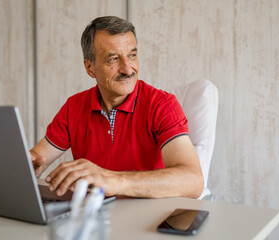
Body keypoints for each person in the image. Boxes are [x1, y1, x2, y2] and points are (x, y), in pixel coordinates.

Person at [30, 16, 203, 199]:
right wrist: (29, 164)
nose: (128, 69)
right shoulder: (73, 107)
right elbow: (37, 157)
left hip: (147, 219)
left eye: (132, 55)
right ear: (90, 68)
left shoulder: (162, 105)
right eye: (113, 59)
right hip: (93, 218)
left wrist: (114, 181)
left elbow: (193, 181)